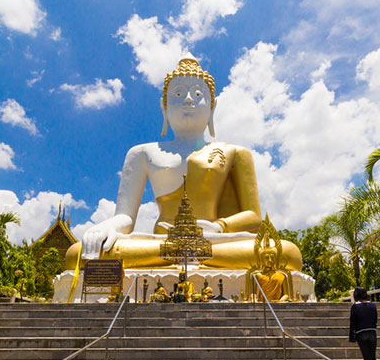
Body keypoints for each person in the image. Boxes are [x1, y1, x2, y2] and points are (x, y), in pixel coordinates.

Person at [64, 57, 301, 272]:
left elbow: (253, 216)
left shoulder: (234, 153)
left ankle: (186, 254)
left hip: (214, 241)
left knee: (286, 253)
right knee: (80, 253)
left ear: (212, 107)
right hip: (163, 243)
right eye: (178, 94)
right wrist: (107, 228)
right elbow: (125, 216)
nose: (188, 99)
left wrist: (218, 227)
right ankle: (182, 254)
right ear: (164, 107)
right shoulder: (142, 153)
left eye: (198, 95)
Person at [349, 287, 380, 360]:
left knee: (367, 358)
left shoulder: (355, 306)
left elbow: (353, 322)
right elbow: (375, 319)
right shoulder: (373, 305)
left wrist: (352, 336)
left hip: (361, 333)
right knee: (373, 358)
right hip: (372, 332)